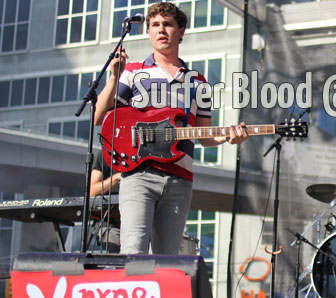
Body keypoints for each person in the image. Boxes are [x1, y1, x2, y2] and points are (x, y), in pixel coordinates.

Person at [94, 2, 248, 254]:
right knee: (133, 252)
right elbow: (100, 116)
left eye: (167, 24)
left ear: (182, 31)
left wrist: (229, 138)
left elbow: (206, 136)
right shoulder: (133, 72)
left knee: (167, 260)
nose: (161, 30)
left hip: (180, 179)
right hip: (138, 175)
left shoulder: (198, 82)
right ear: (149, 32)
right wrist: (114, 77)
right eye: (155, 25)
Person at [89, 150, 122, 253]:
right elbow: (92, 191)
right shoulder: (106, 153)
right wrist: (116, 178)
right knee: (111, 242)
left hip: (144, 223)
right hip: (112, 223)